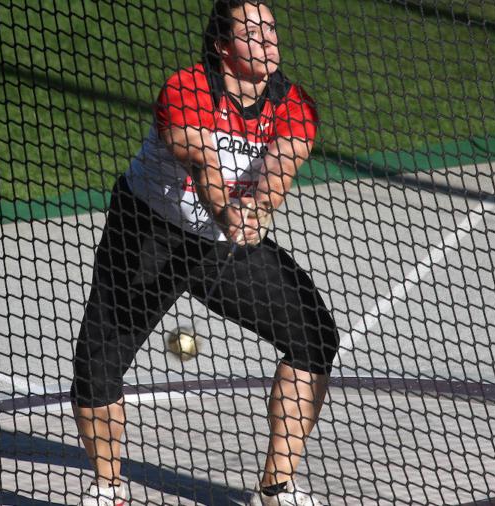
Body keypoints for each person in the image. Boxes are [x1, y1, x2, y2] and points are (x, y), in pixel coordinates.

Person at [71, 1, 339, 505]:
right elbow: (203, 163)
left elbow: (279, 168)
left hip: (220, 247)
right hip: (146, 232)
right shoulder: (188, 88)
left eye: (270, 29)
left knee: (314, 336)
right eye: (251, 32)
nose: (267, 40)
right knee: (96, 366)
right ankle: (107, 491)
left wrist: (256, 210)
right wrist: (226, 212)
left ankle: (277, 489)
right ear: (222, 46)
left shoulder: (295, 103)